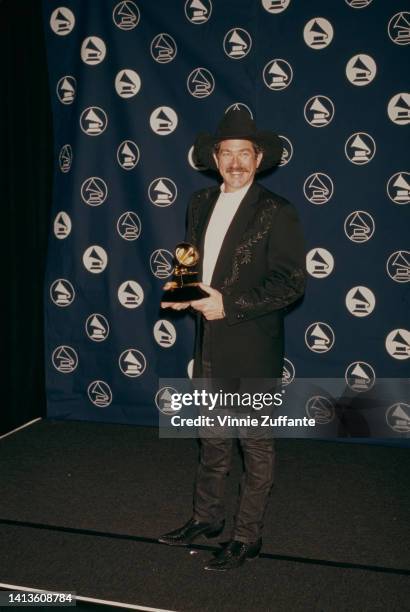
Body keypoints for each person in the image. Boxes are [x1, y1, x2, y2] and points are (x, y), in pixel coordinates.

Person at [158, 107, 306, 571]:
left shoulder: (277, 212)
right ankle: (207, 520)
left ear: (259, 158)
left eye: (245, 153)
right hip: (209, 346)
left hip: (254, 348)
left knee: (255, 445)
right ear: (215, 158)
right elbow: (193, 257)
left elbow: (291, 283)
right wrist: (183, 288)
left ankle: (247, 536)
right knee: (213, 439)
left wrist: (230, 304)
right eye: (228, 153)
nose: (236, 162)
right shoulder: (199, 202)